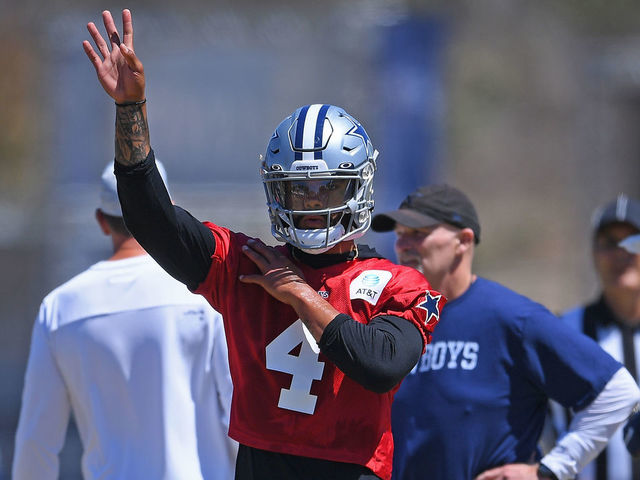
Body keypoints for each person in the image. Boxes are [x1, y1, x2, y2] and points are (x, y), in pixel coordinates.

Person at [81, 9, 444, 480]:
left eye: (326, 189)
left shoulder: (401, 283)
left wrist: (298, 292)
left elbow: (381, 365)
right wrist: (131, 109)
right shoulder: (243, 264)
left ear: (358, 189)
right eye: (298, 190)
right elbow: (151, 220)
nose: (311, 205)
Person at [370, 184, 640, 480]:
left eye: (417, 233)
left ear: (463, 240)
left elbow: (616, 392)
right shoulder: (389, 319)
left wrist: (549, 470)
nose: (403, 245)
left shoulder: (512, 317)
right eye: (399, 234)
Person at [12, 162, 237, 480]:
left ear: (102, 222)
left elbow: (37, 441)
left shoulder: (61, 308)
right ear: (167, 209)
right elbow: (237, 410)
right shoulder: (202, 295)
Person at [559, 193, 640, 480]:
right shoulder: (563, 332)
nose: (621, 253)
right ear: (594, 253)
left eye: (632, 240)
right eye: (609, 243)